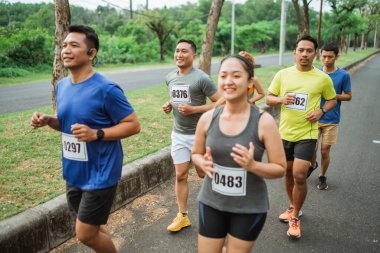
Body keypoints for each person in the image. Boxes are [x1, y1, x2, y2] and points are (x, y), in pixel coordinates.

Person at [30, 25, 141, 253]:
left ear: (92, 53)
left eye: (74, 45)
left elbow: (133, 125)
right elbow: (68, 124)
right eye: (64, 46)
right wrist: (49, 121)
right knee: (93, 228)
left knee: (85, 233)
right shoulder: (61, 86)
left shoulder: (106, 89)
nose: (66, 50)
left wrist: (97, 133)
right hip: (74, 170)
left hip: (101, 173)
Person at [192, 55, 286, 253]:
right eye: (223, 75)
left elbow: (280, 168)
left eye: (236, 76)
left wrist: (254, 166)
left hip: (249, 208)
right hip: (212, 202)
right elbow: (195, 154)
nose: (228, 81)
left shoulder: (264, 121)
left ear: (250, 81)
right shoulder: (208, 118)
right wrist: (203, 162)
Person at [266, 34, 337, 239]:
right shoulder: (283, 75)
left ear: (315, 53)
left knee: (299, 174)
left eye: (309, 51)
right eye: (301, 50)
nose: (304, 54)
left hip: (308, 133)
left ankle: (295, 217)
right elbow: (269, 98)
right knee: (287, 173)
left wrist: (321, 112)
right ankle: (292, 206)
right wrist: (281, 98)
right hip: (285, 132)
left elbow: (332, 100)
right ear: (294, 52)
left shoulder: (322, 78)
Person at [162, 39, 220, 232]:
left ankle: (218, 206)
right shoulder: (170, 77)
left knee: (203, 173)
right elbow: (176, 96)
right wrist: (169, 104)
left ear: (193, 56)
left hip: (200, 134)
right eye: (177, 51)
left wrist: (195, 109)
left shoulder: (201, 78)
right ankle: (182, 216)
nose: (179, 54)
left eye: (184, 51)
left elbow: (220, 102)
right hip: (178, 134)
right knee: (180, 175)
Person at [308, 43, 352, 190]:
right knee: (311, 149)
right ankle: (313, 164)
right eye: (324, 56)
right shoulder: (315, 72)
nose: (326, 60)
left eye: (330, 57)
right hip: (314, 117)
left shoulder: (344, 75)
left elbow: (348, 96)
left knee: (325, 150)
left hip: (332, 119)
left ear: (336, 56)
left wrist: (332, 96)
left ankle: (322, 176)